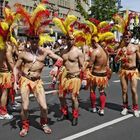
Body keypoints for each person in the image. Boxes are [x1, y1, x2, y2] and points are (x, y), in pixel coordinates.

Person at [13, 36, 63, 136]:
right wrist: (15, 81)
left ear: (39, 40)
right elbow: (16, 67)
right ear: (29, 40)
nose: (34, 40)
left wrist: (56, 67)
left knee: (44, 107)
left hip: (37, 81)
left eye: (36, 38)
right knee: (25, 107)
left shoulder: (45, 51)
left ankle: (43, 123)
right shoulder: (24, 53)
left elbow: (60, 59)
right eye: (32, 38)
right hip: (25, 80)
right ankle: (25, 126)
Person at [56, 35, 84, 126]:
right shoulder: (63, 52)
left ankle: (75, 116)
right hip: (65, 77)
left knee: (73, 98)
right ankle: (65, 113)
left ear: (74, 40)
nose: (69, 41)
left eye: (71, 39)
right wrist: (55, 73)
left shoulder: (78, 52)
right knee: (61, 96)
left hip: (75, 77)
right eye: (68, 39)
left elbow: (82, 66)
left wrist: (84, 79)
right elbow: (60, 64)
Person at [115, 31, 140, 117]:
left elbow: (139, 59)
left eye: (129, 36)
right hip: (123, 70)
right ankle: (125, 107)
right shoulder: (121, 49)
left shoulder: (135, 47)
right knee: (124, 90)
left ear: (131, 37)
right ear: (123, 37)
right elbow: (116, 60)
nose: (127, 38)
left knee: (133, 90)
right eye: (125, 37)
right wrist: (119, 58)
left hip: (133, 71)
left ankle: (135, 108)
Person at [89, 39, 111, 116]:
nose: (92, 44)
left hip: (95, 74)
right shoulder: (106, 52)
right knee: (101, 91)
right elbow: (108, 64)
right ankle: (102, 109)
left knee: (92, 90)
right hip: (103, 75)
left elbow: (90, 64)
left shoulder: (95, 52)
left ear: (95, 42)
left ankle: (94, 108)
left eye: (92, 43)